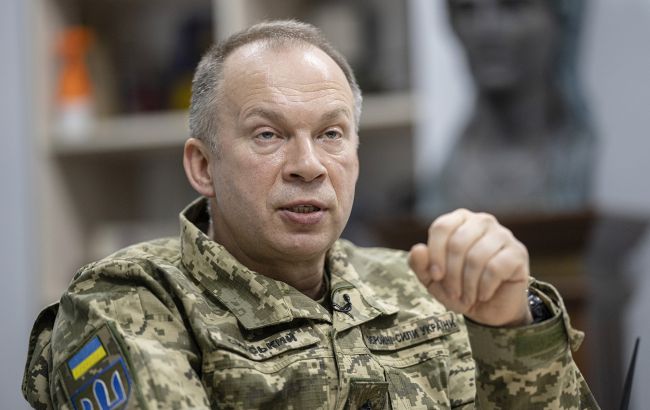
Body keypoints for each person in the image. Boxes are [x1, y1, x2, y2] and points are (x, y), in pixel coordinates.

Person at [22, 20, 599, 409]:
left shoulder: (426, 286)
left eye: (331, 134)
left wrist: (510, 328)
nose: (309, 166)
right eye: (268, 135)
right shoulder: (128, 303)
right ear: (203, 166)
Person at [427, 0, 595, 215]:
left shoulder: (583, 156)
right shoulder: (444, 177)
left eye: (512, 6)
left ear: (559, 21)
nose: (486, 29)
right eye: (467, 9)